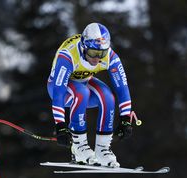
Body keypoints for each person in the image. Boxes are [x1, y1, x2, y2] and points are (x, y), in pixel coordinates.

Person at [47, 23, 134, 168]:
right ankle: (79, 147)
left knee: (108, 97)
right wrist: (60, 125)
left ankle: (102, 150)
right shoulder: (68, 55)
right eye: (93, 53)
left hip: (84, 82)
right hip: (60, 88)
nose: (97, 59)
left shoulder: (109, 56)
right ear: (83, 47)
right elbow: (58, 92)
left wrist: (125, 118)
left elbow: (122, 88)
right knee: (82, 93)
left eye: (102, 54)